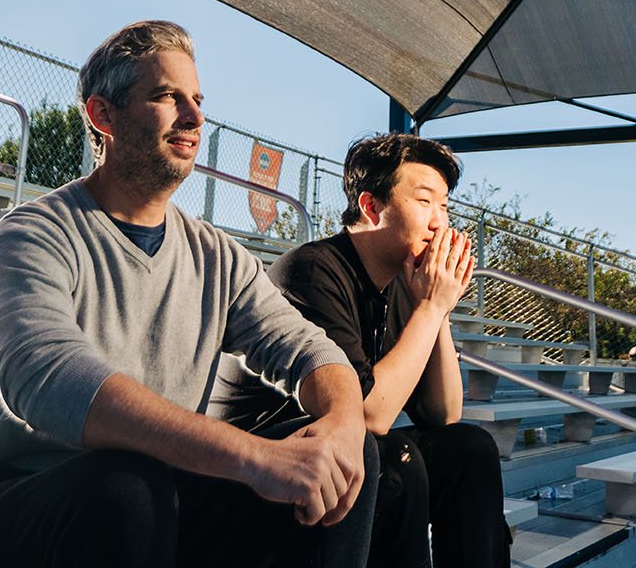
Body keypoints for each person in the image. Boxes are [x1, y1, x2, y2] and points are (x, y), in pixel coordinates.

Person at [0, 20, 378, 568]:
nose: (194, 117)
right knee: (127, 484)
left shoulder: (219, 255)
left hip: (151, 505)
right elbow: (46, 376)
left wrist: (341, 424)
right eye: (167, 96)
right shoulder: (33, 235)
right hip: (5, 517)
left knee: (350, 459)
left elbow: (311, 350)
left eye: (197, 99)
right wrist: (255, 456)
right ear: (103, 115)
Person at [209, 133, 511, 568]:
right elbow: (367, 414)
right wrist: (430, 307)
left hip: (342, 458)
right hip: (264, 468)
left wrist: (439, 309)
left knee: (469, 450)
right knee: (392, 462)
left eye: (444, 206)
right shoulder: (312, 270)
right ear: (372, 207)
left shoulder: (407, 285)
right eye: (425, 202)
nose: (439, 223)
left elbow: (443, 413)